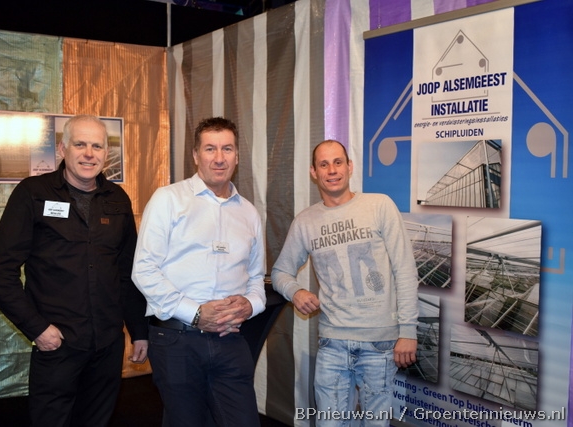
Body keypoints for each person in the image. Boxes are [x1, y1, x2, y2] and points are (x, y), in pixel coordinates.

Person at [0, 114, 149, 427]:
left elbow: (127, 272)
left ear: (106, 153)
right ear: (62, 149)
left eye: (97, 146)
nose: (89, 153)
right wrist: (37, 328)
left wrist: (139, 330)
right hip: (57, 342)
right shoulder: (33, 193)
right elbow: (0, 270)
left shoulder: (117, 199)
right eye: (80, 144)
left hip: (107, 343)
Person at [271, 140, 418, 427]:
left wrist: (408, 331)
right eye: (324, 164)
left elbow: (405, 270)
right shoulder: (305, 222)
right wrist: (295, 291)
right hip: (332, 344)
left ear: (350, 167)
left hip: (380, 343)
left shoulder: (379, 205)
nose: (332, 170)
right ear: (314, 172)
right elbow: (280, 272)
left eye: (338, 162)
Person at [131, 117, 266, 427]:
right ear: (195, 155)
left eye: (227, 149)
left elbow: (257, 276)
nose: (219, 158)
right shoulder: (168, 200)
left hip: (230, 340)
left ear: (237, 156)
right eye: (210, 149)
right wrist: (195, 313)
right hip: (177, 339)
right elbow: (144, 270)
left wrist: (251, 305)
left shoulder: (248, 212)